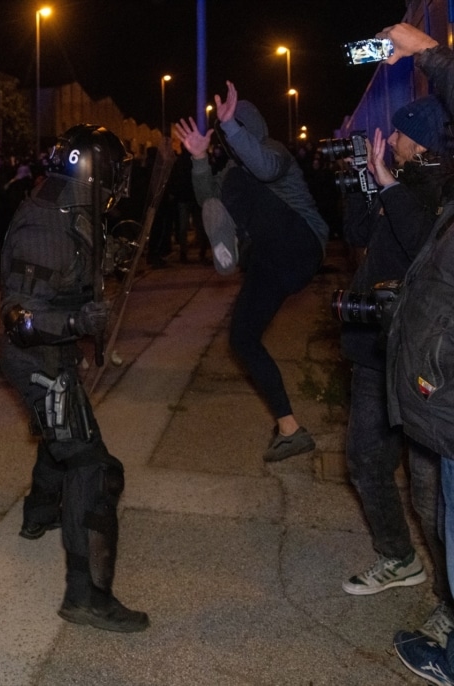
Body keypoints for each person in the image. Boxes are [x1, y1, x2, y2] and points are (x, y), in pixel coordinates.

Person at [0, 124, 149, 633]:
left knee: (61, 435)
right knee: (94, 468)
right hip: (36, 356)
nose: (118, 185)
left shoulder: (73, 207)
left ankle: (39, 512)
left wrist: (111, 260)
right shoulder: (45, 221)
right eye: (114, 172)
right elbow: (19, 320)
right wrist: (73, 325)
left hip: (55, 353)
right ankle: (87, 597)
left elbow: (71, 272)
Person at [337, 98, 454, 634]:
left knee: (431, 491)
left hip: (419, 365)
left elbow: (417, 244)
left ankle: (448, 602)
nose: (391, 140)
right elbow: (360, 232)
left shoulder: (435, 194)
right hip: (374, 351)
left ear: (420, 143)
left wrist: (386, 183)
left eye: (399, 136)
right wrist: (355, 174)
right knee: (364, 459)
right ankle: (399, 558)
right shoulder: (399, 184)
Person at [174, 81, 329, 462]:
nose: (229, 141)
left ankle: (230, 241)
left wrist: (230, 126)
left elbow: (261, 166)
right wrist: (197, 159)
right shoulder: (230, 171)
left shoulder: (275, 152)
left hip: (301, 241)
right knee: (242, 337)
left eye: (235, 130)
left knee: (240, 178)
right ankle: (290, 429)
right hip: (270, 261)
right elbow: (207, 196)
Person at [373, 21, 454, 685]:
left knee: (440, 509)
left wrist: (430, 54)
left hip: (444, 391)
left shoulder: (428, 190)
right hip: (431, 383)